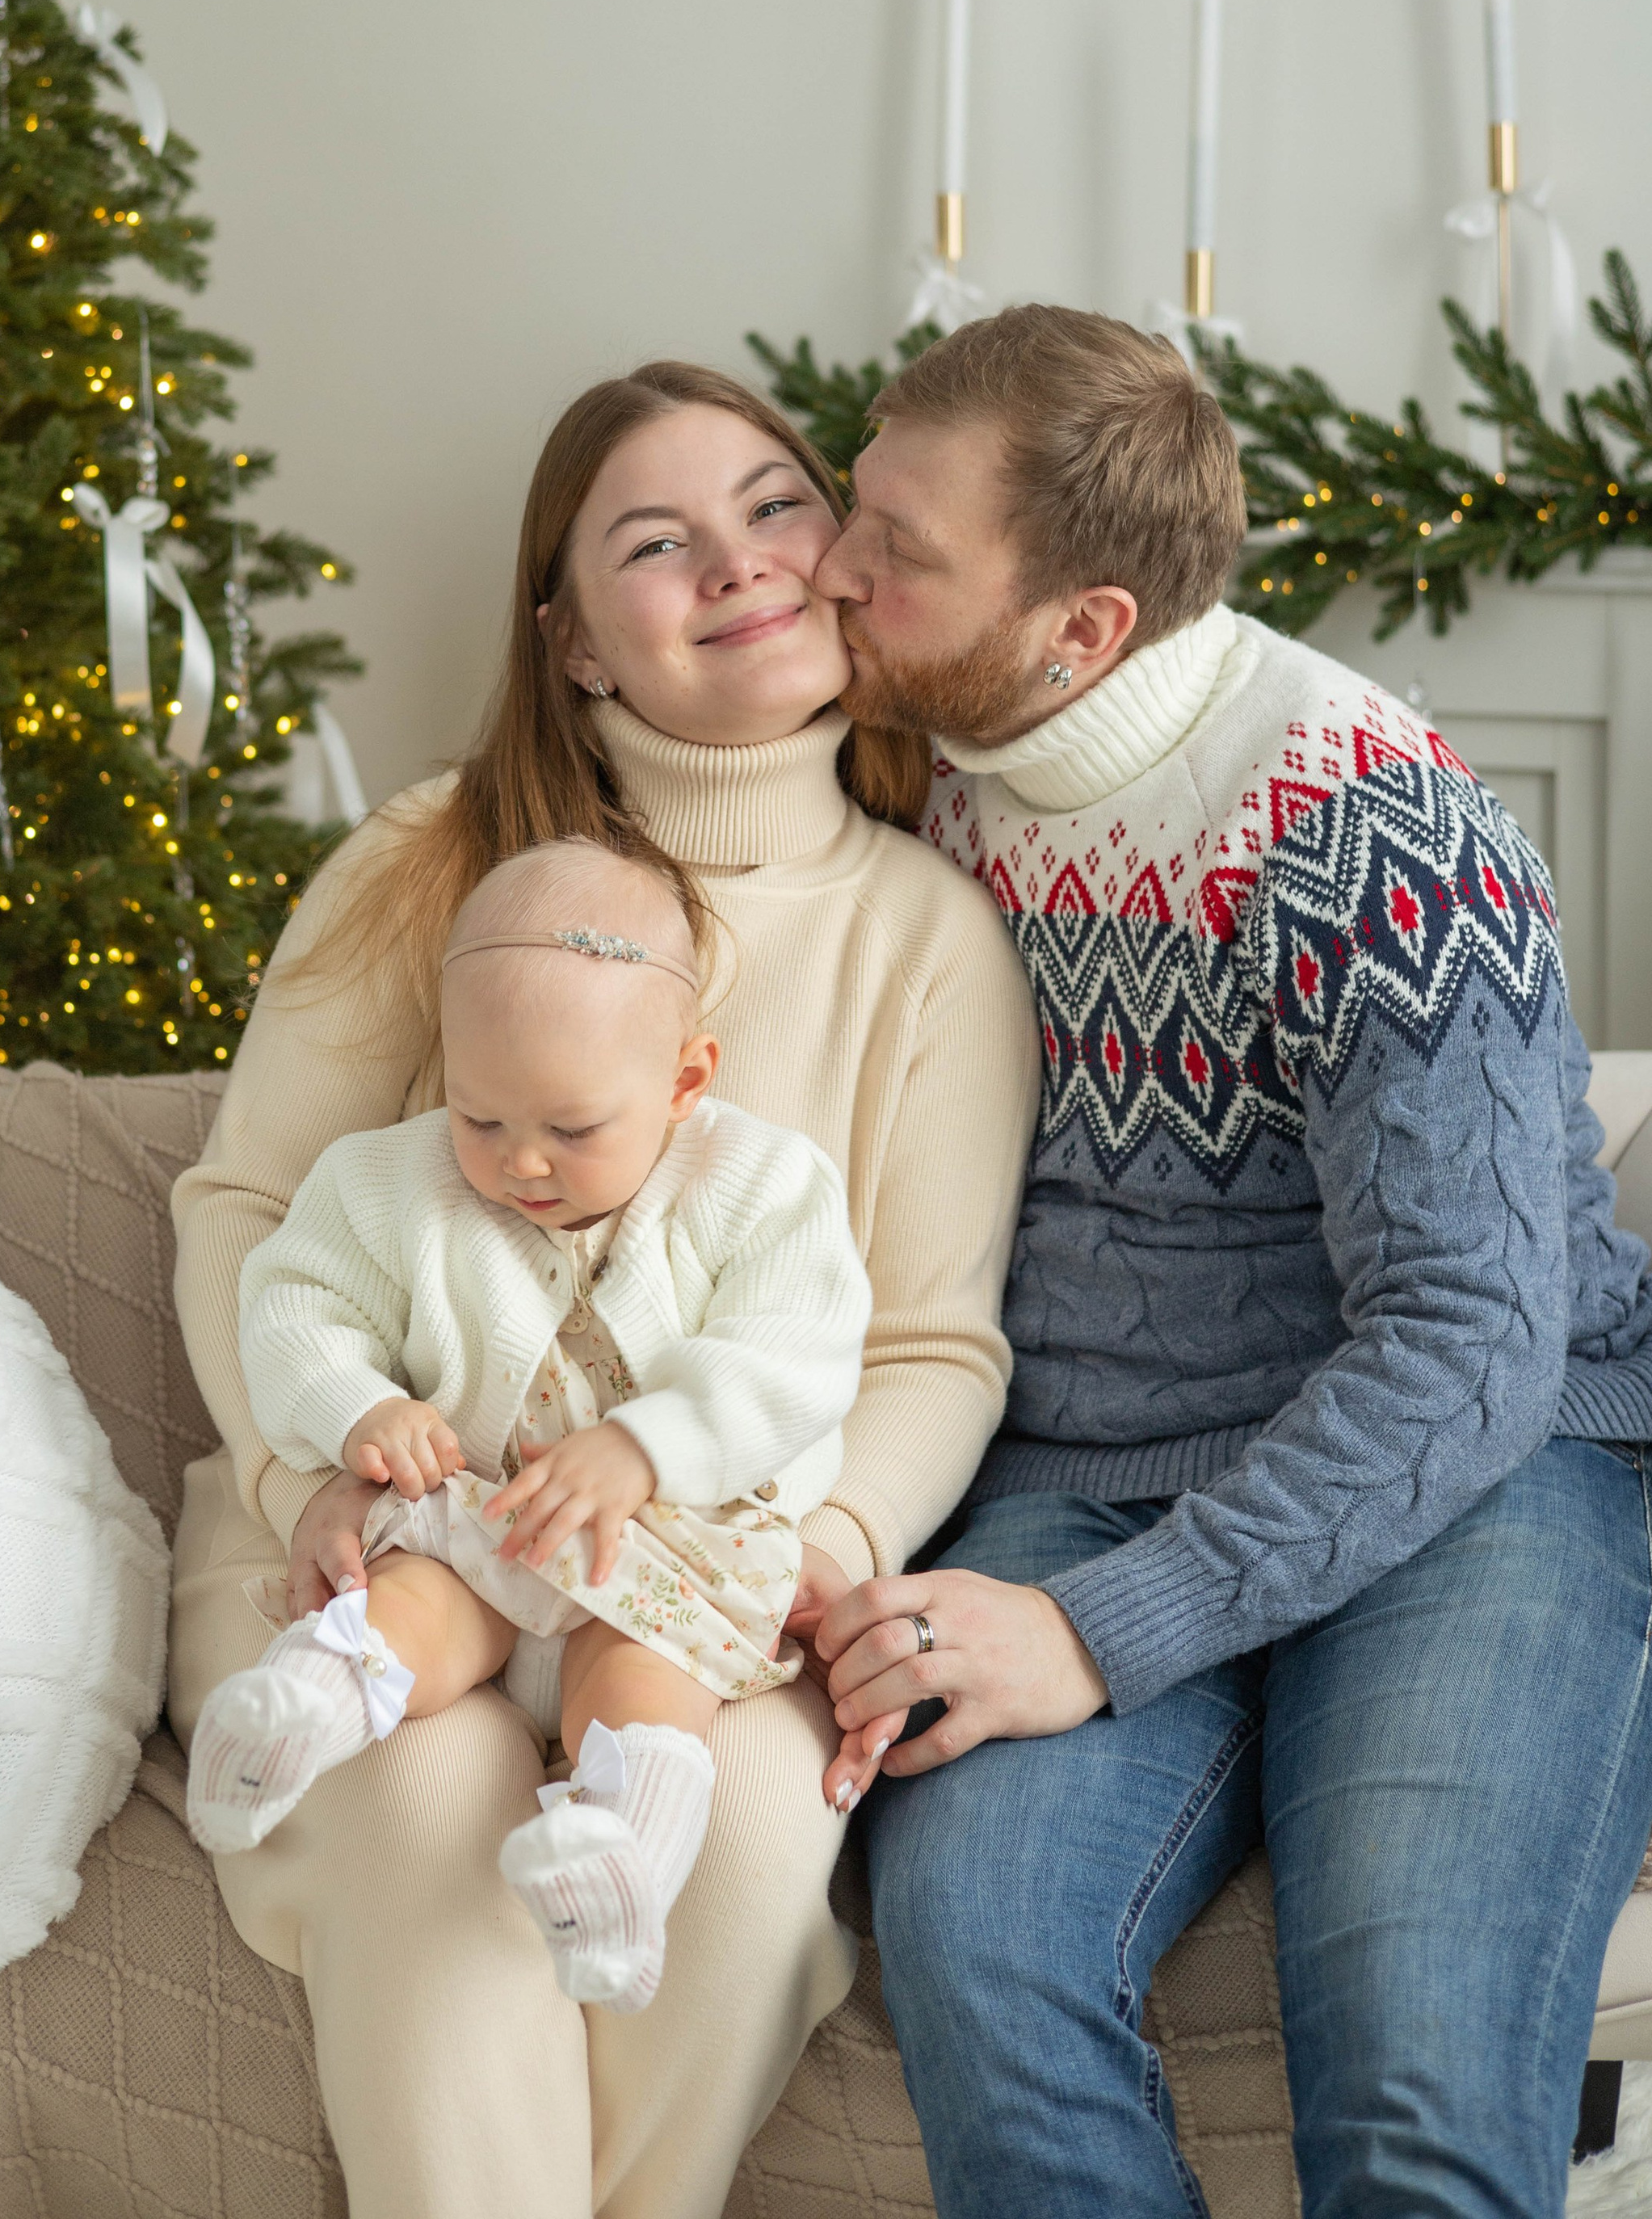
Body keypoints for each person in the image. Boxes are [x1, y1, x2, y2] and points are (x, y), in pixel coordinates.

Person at [807, 300, 1652, 2219]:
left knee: (1419, 2074)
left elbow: (1465, 1343)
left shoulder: (1361, 821)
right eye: (849, 507)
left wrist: (1096, 1635)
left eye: (898, 552)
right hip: (1083, 1465)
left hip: (1485, 1464)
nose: (828, 570)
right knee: (977, 1962)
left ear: (1080, 626)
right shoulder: (909, 765)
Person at [166, 359, 1039, 2219]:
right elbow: (248, 1208)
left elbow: (926, 1338)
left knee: (723, 1843)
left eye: (773, 504)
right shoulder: (432, 863)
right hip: (383, 1535)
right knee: (418, 1796)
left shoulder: (930, 936)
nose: (739, 562)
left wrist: (825, 1545)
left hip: (705, 1573)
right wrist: (296, 1482)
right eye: (658, 543)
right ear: (569, 641)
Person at [184, 837, 876, 2022]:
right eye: (480, 1114)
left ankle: (610, 1857)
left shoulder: (762, 1185)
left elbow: (801, 1346)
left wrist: (653, 1443)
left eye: (571, 1124)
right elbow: (290, 1301)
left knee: (642, 1683)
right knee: (409, 1610)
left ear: (684, 1077)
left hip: (666, 1540)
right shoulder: (389, 1183)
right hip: (477, 1519)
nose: (521, 1161)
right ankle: (296, 1713)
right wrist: (359, 1406)